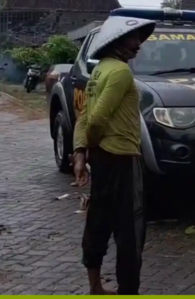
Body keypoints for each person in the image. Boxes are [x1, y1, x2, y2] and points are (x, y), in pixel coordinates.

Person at [72, 16, 155, 295]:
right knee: (130, 231)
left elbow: (84, 116)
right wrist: (93, 144)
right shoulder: (120, 72)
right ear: (117, 42)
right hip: (123, 159)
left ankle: (95, 287)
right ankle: (128, 291)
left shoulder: (98, 71)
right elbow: (95, 120)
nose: (138, 44)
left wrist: (81, 153)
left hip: (102, 161)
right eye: (133, 39)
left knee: (97, 222)